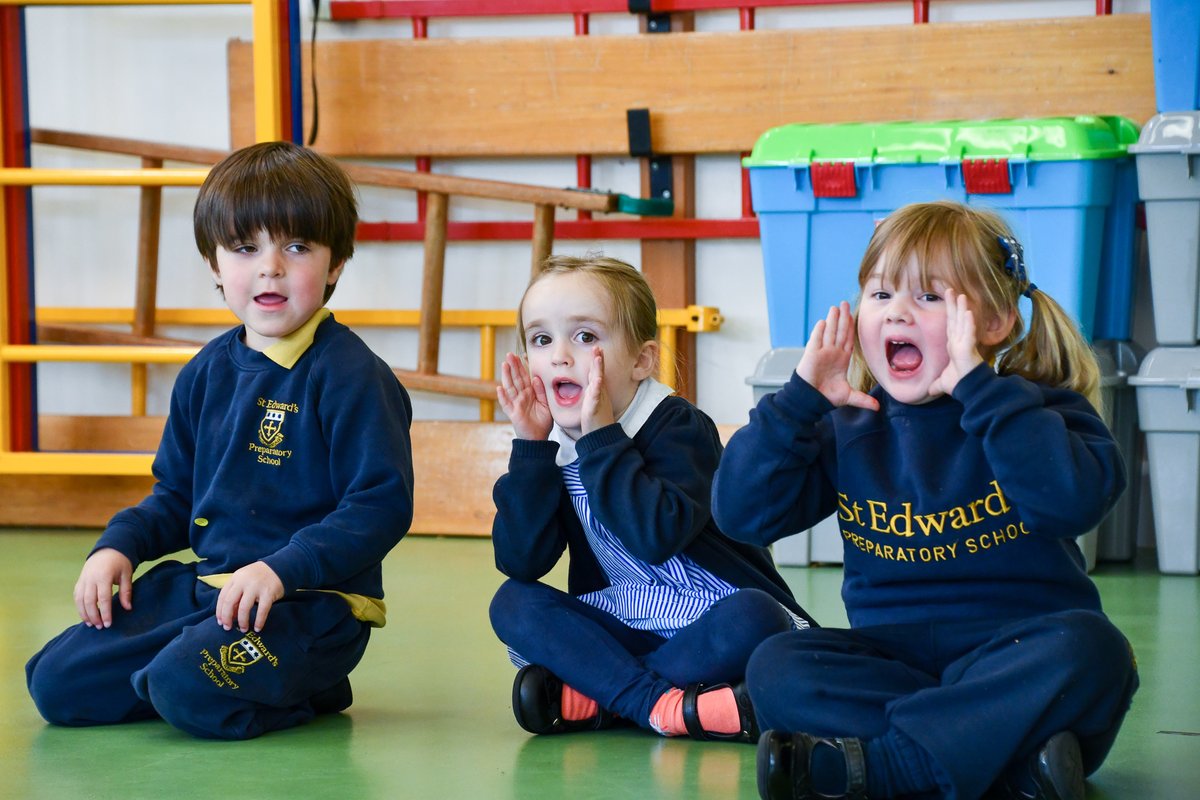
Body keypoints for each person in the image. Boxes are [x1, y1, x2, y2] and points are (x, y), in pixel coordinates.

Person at [712, 201, 1138, 800]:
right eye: (881, 295)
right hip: (895, 661)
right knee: (775, 666)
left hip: (1015, 652)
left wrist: (980, 394)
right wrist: (798, 401)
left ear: (992, 324)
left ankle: (895, 767)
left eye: (930, 298)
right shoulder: (846, 426)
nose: (898, 313)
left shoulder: (1039, 411)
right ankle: (1010, 761)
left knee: (1092, 650)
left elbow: (1069, 503)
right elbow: (741, 515)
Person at [26, 141, 415, 740]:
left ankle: (306, 681)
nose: (270, 267)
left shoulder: (353, 375)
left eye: (297, 247)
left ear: (335, 264)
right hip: (208, 592)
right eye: (244, 248)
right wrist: (119, 547)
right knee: (56, 683)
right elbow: (176, 495)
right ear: (214, 265)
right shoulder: (204, 373)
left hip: (310, 606)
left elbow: (380, 506)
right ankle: (180, 669)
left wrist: (282, 570)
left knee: (184, 686)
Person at [489, 254, 816, 743]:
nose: (559, 356)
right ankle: (667, 705)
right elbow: (523, 559)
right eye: (541, 339)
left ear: (641, 360)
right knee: (512, 602)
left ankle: (607, 695)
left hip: (708, 617)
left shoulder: (679, 426)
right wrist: (531, 448)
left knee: (757, 616)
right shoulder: (553, 445)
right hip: (625, 619)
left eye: (584, 337)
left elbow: (654, 535)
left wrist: (601, 437)